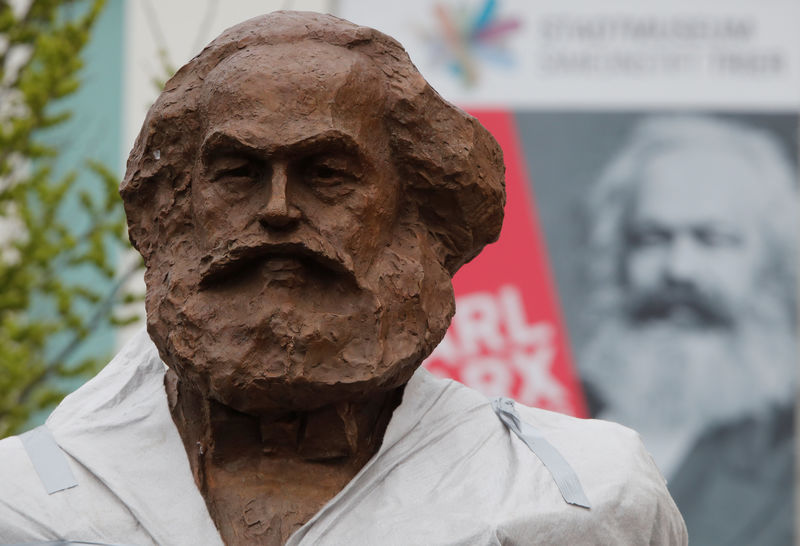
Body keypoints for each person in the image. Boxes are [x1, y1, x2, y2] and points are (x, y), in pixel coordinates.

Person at [0, 12, 686, 545]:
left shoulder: (578, 499)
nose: (275, 211)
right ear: (177, 206)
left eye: (328, 174)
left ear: (416, 205)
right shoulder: (25, 504)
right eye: (236, 173)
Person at [579, 115, 798, 545]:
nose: (680, 270)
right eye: (652, 238)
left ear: (771, 262)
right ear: (618, 256)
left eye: (713, 239)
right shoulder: (549, 413)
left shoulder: (785, 449)